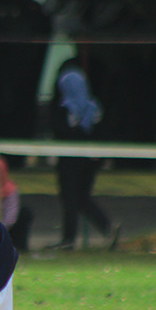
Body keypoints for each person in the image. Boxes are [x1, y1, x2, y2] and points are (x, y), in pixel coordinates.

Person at [46, 58, 119, 251]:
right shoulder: (94, 109)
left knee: (71, 198)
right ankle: (108, 228)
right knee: (81, 199)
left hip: (72, 161)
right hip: (89, 160)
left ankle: (69, 239)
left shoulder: (64, 109)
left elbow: (60, 131)